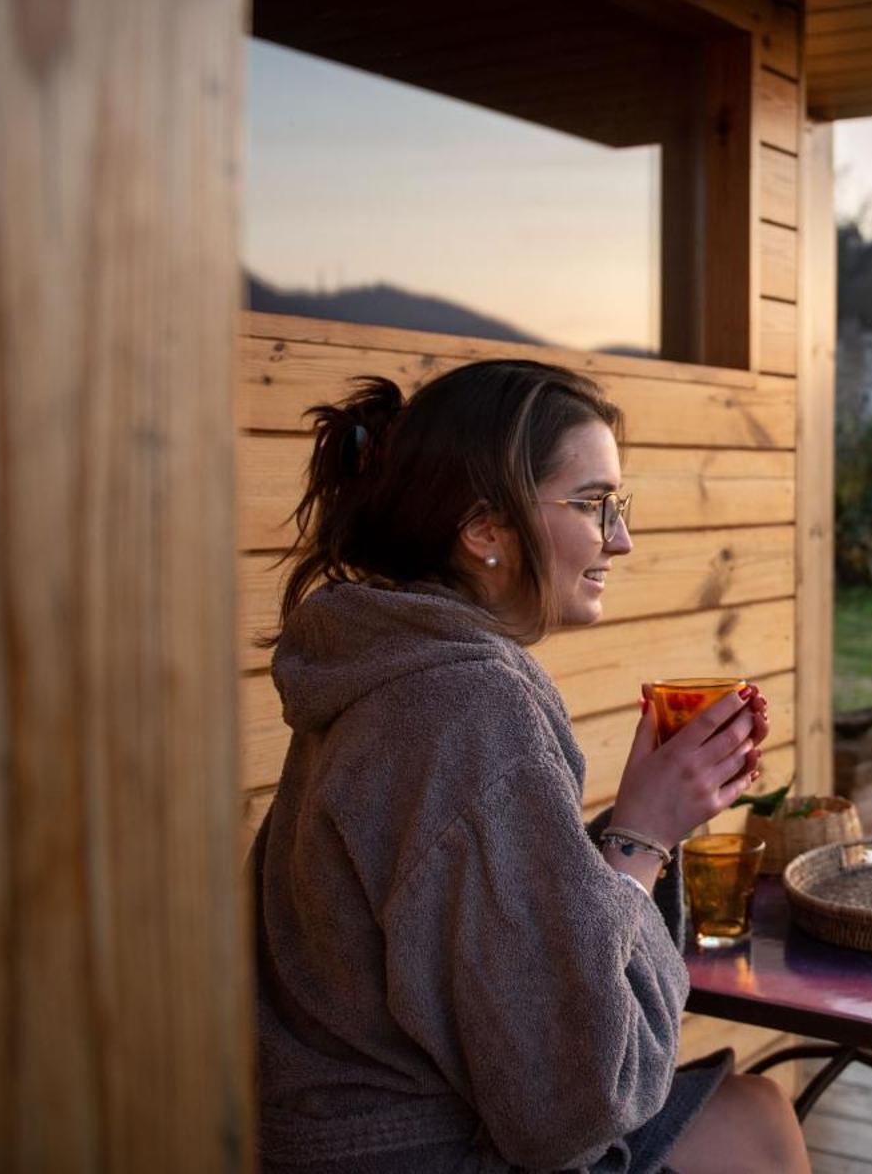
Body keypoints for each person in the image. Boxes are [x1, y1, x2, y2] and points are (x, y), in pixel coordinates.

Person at [251, 358, 812, 1174]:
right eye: (593, 505)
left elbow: (453, 908)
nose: (621, 537)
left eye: (619, 505)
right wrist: (646, 836)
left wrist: (634, 817)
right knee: (758, 1133)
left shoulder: (387, 669)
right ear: (485, 529)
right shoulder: (469, 702)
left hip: (317, 1141)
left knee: (756, 1109)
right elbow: (578, 1101)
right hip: (419, 1151)